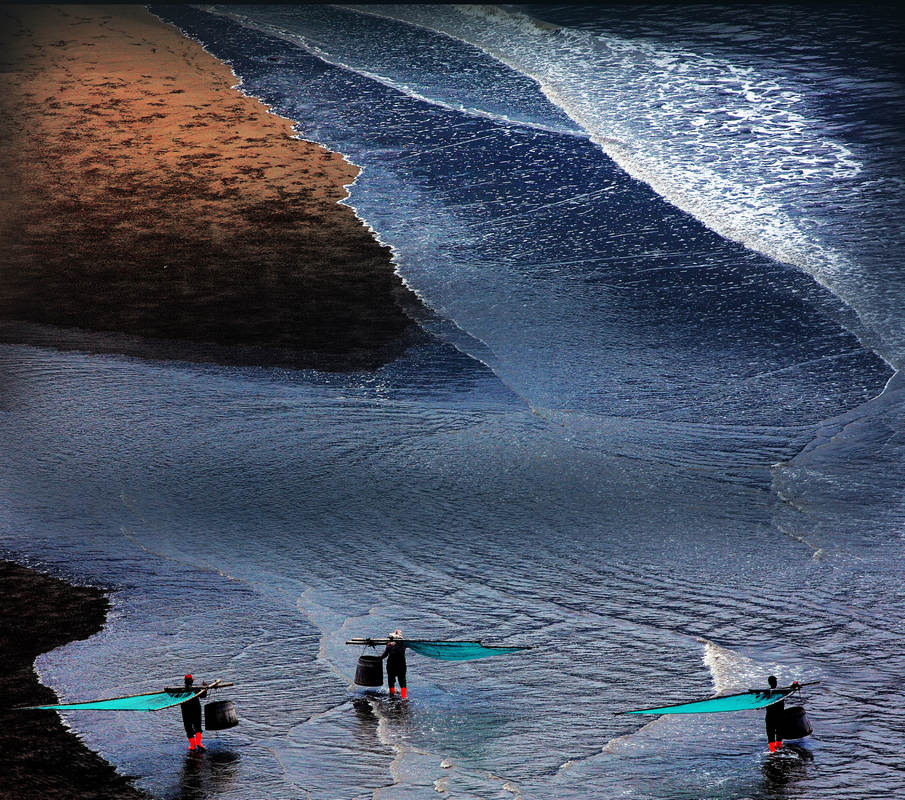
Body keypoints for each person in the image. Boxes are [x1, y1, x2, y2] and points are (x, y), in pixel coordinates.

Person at [180, 674, 207, 751]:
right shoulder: (196, 689)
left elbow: (173, 696)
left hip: (186, 711)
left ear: (185, 682)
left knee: (188, 727)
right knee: (197, 726)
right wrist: (205, 687)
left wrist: (167, 690)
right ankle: (198, 743)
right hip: (196, 709)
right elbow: (203, 695)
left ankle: (192, 746)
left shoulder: (181, 690)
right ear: (192, 681)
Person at [380, 630, 407, 699]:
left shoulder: (389, 645)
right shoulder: (403, 645)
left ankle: (392, 695)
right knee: (402, 681)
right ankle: (404, 697)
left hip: (391, 666)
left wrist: (379, 658)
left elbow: (385, 655)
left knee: (391, 681)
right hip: (401, 665)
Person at [764, 675, 784, 752]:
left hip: (770, 717)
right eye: (775, 681)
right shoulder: (781, 692)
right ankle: (778, 749)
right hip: (779, 716)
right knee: (778, 733)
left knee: (771, 734)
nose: (776, 683)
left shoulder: (766, 693)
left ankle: (772, 751)